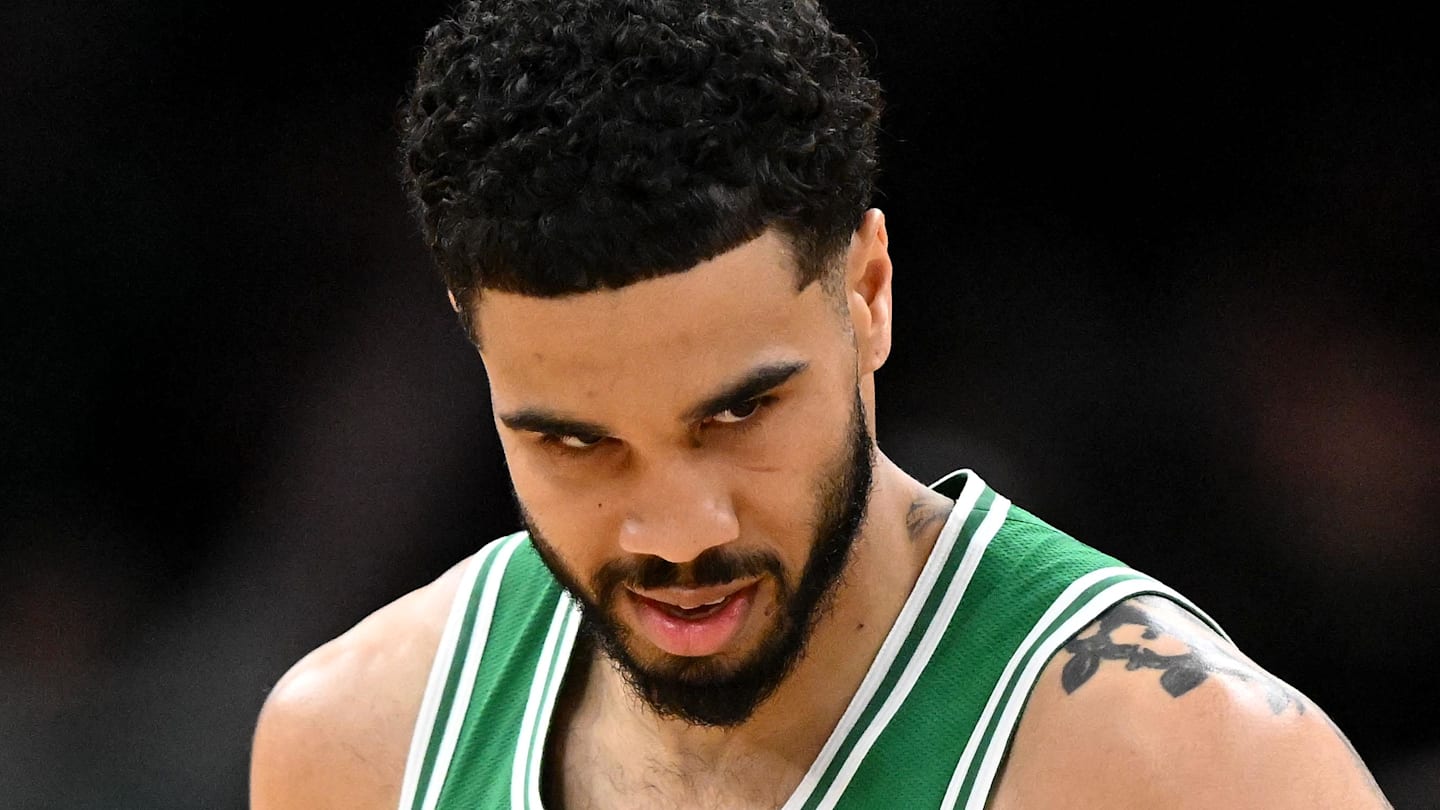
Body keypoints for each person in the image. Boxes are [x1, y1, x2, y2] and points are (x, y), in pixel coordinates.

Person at [250, 1, 1392, 807]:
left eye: (737, 417)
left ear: (868, 292)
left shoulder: (1187, 771)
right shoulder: (356, 748)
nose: (680, 531)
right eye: (576, 445)